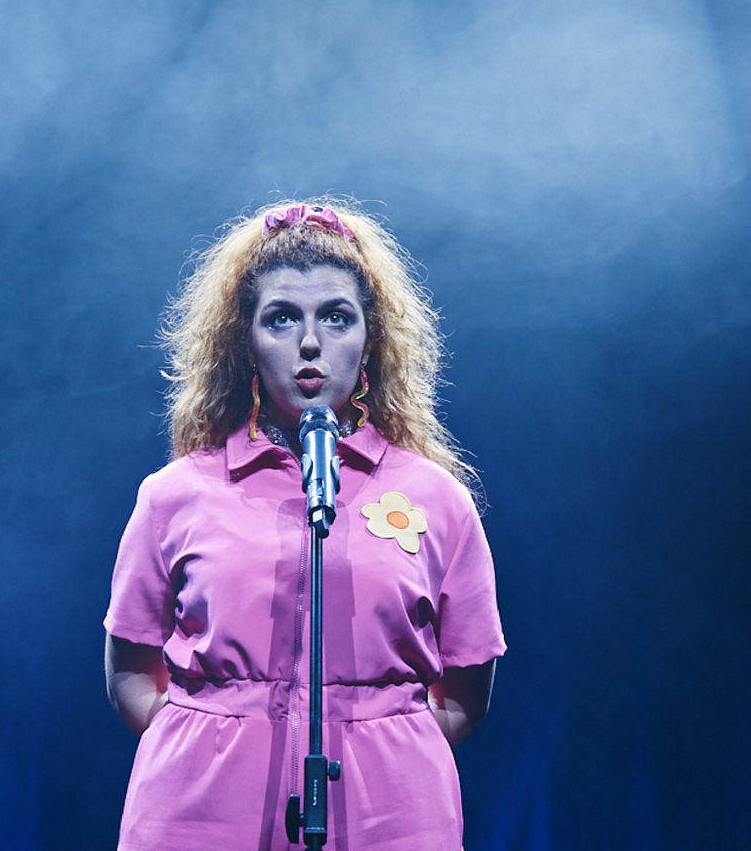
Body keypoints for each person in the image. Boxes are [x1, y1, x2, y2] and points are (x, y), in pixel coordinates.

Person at [104, 199, 504, 850]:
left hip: (389, 818)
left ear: (371, 339)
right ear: (246, 341)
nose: (310, 342)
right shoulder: (174, 495)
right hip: (198, 814)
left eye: (336, 317)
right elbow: (130, 671)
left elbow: (465, 691)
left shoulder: (437, 501)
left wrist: (382, 747)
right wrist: (212, 741)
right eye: (282, 317)